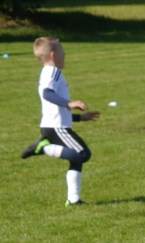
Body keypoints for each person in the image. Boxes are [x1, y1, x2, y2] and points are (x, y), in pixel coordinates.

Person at [21, 37, 99, 206]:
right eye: (62, 51)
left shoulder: (47, 72)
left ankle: (73, 200)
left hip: (53, 126)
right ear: (53, 55)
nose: (65, 54)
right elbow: (47, 94)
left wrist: (80, 118)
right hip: (56, 128)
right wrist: (70, 103)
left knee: (76, 159)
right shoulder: (53, 72)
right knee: (83, 154)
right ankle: (44, 148)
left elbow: (55, 108)